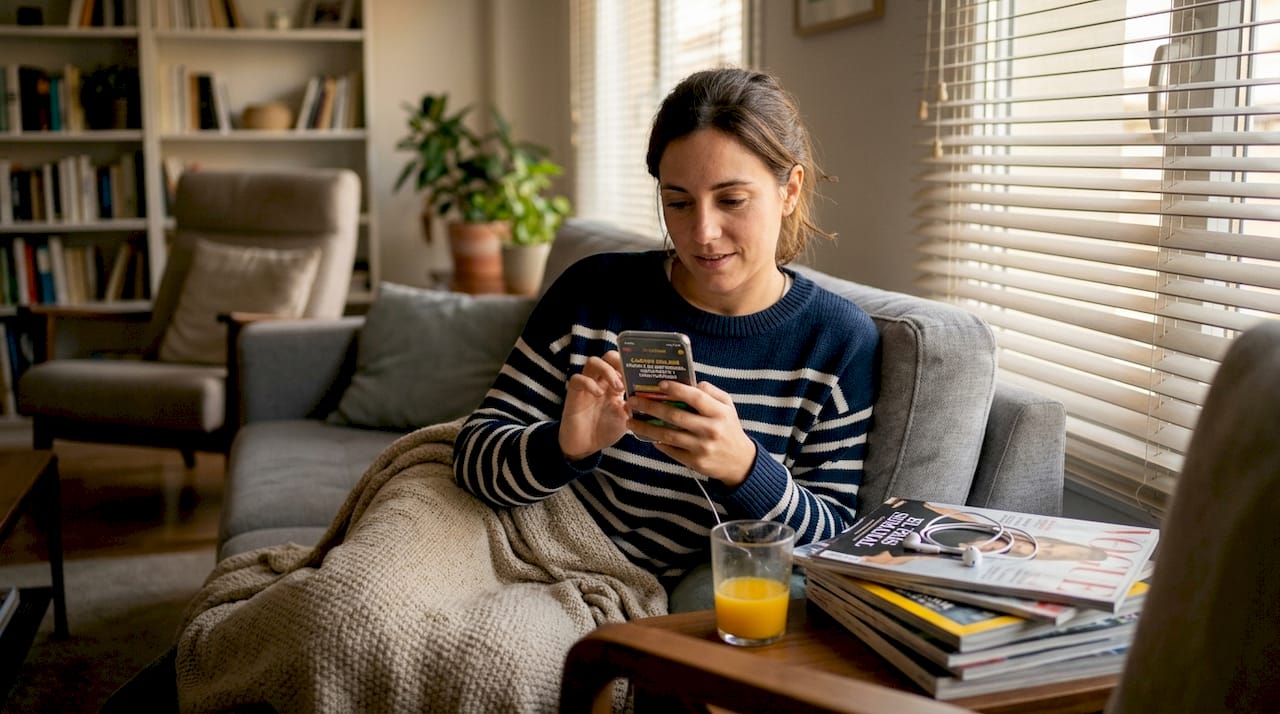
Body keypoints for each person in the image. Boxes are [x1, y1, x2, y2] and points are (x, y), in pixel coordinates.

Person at [454, 67, 880, 593]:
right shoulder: (594, 291)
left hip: (645, 592)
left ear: (789, 189)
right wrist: (564, 449)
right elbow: (471, 456)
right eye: (678, 202)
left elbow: (836, 543)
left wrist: (743, 467)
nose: (702, 233)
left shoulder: (836, 342)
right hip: (518, 541)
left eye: (731, 200)